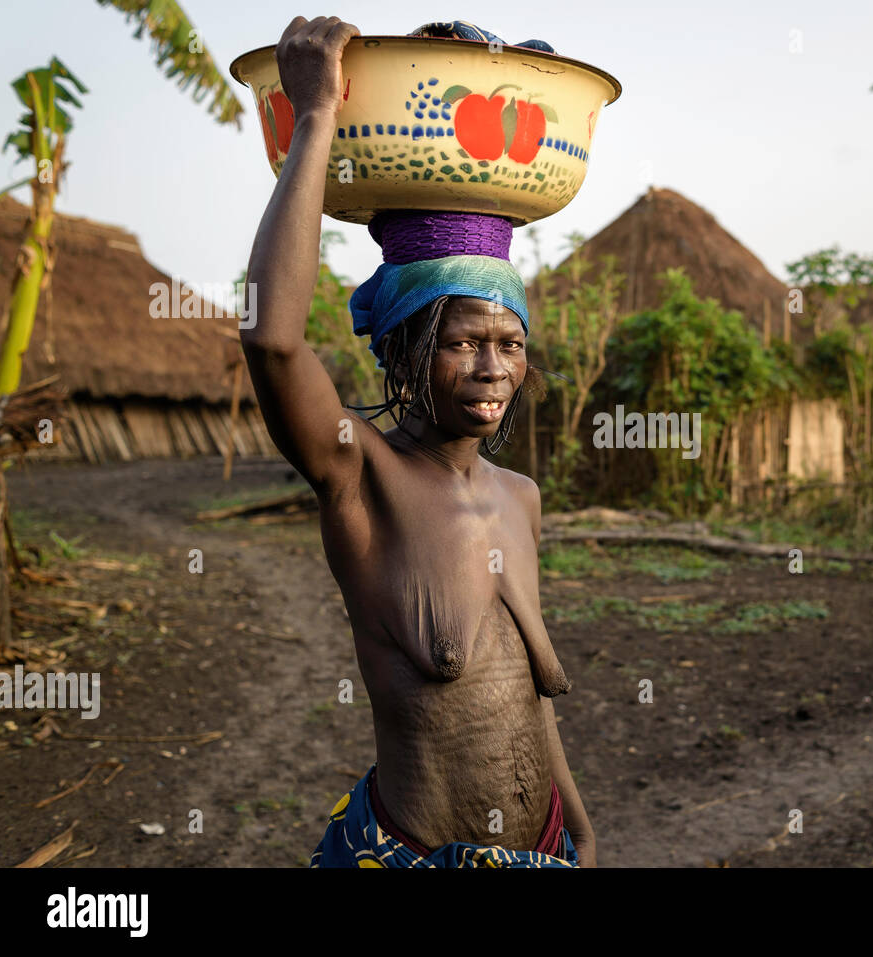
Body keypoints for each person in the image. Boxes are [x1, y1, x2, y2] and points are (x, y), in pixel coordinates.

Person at [241, 15, 595, 867]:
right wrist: (318, 116)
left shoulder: (521, 498)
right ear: (403, 345)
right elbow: (270, 340)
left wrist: (579, 831)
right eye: (462, 340)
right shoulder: (361, 474)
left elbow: (527, 691)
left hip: (545, 848)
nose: (492, 367)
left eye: (509, 345)